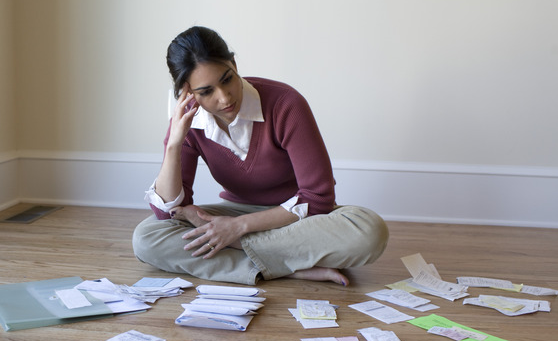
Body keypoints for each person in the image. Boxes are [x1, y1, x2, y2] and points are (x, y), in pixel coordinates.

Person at [132, 26, 388, 286]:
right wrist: (175, 143)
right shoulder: (188, 122)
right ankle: (288, 267)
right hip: (234, 213)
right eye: (206, 92)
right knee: (147, 237)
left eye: (227, 79)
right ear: (187, 93)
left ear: (234, 64)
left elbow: (318, 199)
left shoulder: (285, 104)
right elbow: (168, 212)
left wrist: (238, 228)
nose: (224, 97)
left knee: (367, 231)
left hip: (296, 219)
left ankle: (250, 256)